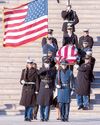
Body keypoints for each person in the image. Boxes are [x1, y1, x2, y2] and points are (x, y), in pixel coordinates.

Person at [37, 57, 56, 121]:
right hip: (42, 86)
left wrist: (54, 87)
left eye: (48, 62)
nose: (47, 63)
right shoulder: (41, 69)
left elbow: (53, 78)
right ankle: (42, 117)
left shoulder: (52, 69)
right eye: (46, 62)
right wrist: (45, 68)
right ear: (43, 63)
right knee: (41, 103)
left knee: (48, 103)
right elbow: (39, 73)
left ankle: (46, 117)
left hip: (49, 86)